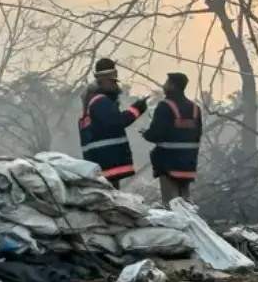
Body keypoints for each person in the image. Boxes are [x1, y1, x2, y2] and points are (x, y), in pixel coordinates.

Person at [78, 58, 147, 188]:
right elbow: (117, 121)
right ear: (104, 80)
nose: (116, 86)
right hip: (108, 161)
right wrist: (137, 109)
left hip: (99, 162)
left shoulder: (90, 102)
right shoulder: (100, 102)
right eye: (114, 81)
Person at [142, 72, 202, 204]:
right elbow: (197, 135)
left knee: (171, 205)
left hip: (168, 165)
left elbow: (156, 134)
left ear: (173, 86)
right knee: (186, 205)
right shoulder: (195, 109)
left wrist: (146, 134)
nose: (164, 86)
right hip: (188, 166)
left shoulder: (165, 106)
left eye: (166, 83)